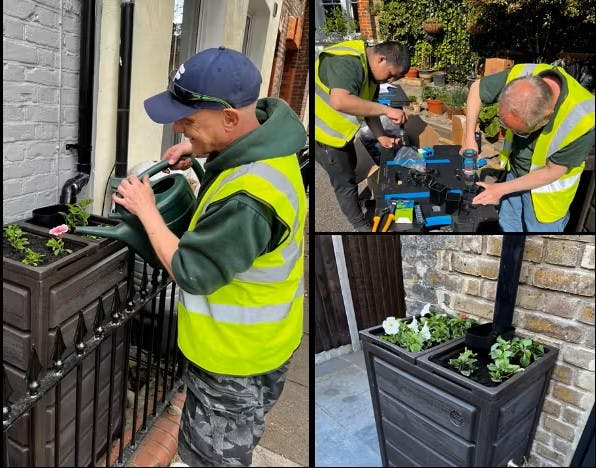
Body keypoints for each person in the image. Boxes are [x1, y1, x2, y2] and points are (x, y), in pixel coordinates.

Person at [112, 47, 307, 466]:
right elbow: (237, 165)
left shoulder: (249, 196)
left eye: (189, 120)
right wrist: (202, 151)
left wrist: (146, 211)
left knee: (212, 458)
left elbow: (193, 271)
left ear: (230, 118)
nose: (179, 127)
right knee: (241, 435)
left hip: (233, 362)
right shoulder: (268, 146)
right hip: (266, 345)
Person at [464, 63, 595, 232]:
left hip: (546, 198)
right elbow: (476, 89)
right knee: (509, 233)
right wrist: (469, 137)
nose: (511, 133)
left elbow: (552, 171)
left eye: (519, 131)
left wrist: (500, 188)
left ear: (546, 116)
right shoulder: (520, 75)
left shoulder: (584, 118)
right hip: (514, 176)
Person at [315, 40, 410, 231]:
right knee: (345, 184)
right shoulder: (347, 62)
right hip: (325, 138)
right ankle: (360, 226)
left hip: (341, 136)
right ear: (382, 59)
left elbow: (368, 108)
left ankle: (354, 205)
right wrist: (386, 110)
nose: (390, 81)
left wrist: (381, 136)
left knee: (350, 169)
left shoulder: (370, 72)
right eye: (391, 74)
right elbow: (340, 101)